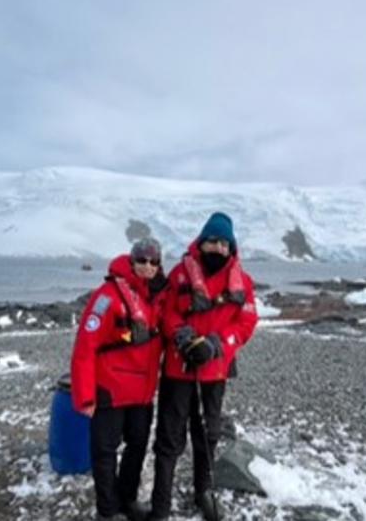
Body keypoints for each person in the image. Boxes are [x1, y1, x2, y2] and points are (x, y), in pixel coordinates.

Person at [148, 212, 258, 521]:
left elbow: (247, 321)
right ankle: (160, 506)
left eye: (224, 243)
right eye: (213, 241)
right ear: (202, 241)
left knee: (208, 434)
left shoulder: (243, 282)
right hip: (177, 370)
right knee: (169, 438)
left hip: (214, 371)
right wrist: (180, 334)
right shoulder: (180, 275)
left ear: (231, 247)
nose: (218, 248)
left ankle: (204, 492)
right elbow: (165, 311)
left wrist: (218, 344)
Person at [70, 237, 168, 521]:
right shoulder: (106, 297)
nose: (147, 267)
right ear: (132, 260)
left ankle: (126, 500)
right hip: (110, 390)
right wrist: (85, 396)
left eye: (153, 262)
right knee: (104, 452)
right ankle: (108, 510)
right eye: (142, 261)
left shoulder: (158, 296)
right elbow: (85, 348)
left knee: (137, 449)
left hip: (142, 393)